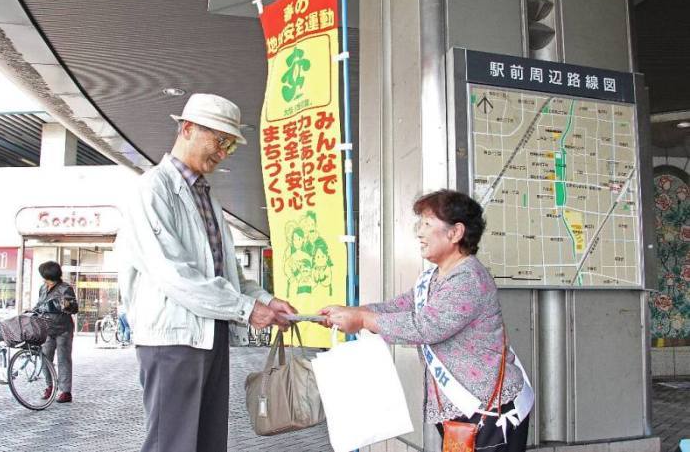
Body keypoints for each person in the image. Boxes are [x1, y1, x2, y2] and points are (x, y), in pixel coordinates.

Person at [116, 93, 296, 452]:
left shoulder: (206, 197)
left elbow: (227, 274)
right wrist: (246, 309)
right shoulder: (153, 188)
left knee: (209, 442)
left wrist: (266, 300)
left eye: (229, 144)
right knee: (174, 444)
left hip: (209, 332)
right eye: (219, 140)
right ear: (187, 129)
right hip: (172, 340)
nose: (224, 151)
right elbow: (174, 274)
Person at [320, 189, 532, 451]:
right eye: (419, 224)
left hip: (489, 409)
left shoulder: (467, 278)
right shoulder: (434, 276)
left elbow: (425, 326)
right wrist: (351, 312)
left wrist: (362, 319)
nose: (419, 233)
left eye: (427, 224)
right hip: (466, 410)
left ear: (455, 233)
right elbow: (399, 307)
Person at [33, 260, 78, 404]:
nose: (43, 279)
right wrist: (33, 311)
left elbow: (74, 308)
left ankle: (65, 392)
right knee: (45, 357)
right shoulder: (43, 288)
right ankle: (50, 386)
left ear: (49, 276)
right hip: (46, 328)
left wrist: (67, 305)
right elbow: (39, 305)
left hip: (63, 329)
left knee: (63, 359)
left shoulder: (65, 288)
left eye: (44, 276)